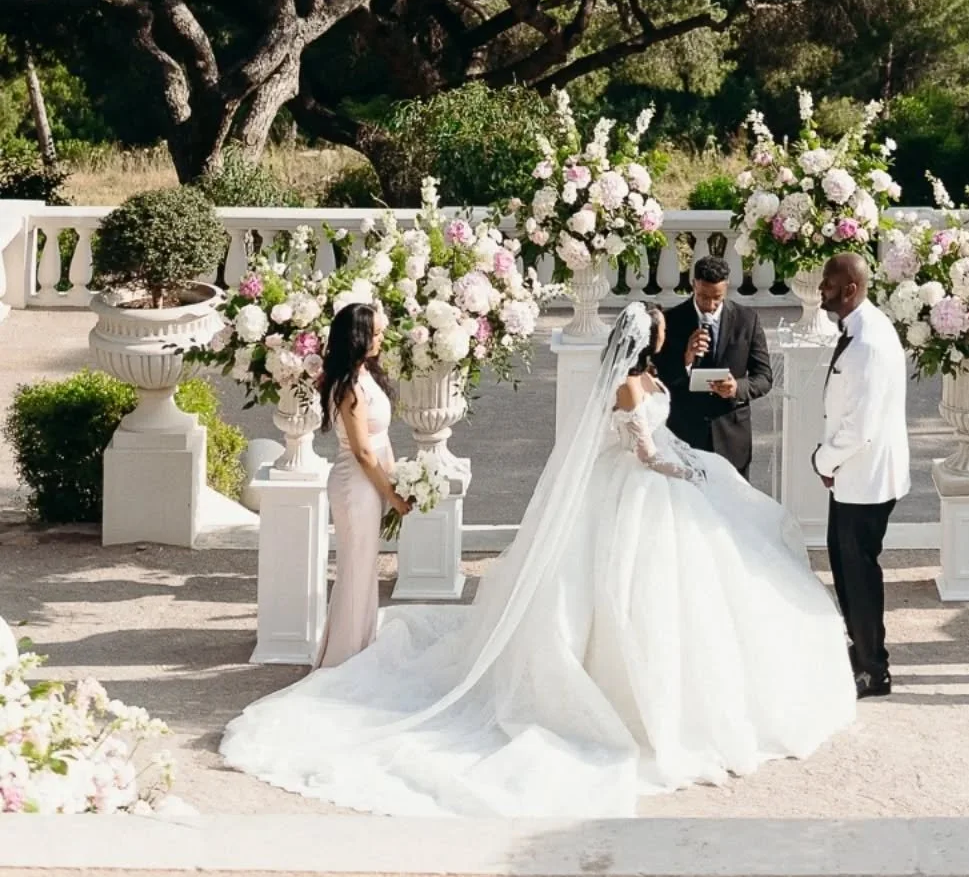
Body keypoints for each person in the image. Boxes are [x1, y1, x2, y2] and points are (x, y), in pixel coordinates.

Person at [221, 303, 854, 816]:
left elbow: (655, 422)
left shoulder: (644, 380)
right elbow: (645, 451)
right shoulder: (630, 389)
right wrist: (687, 468)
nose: (666, 342)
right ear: (643, 346)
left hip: (641, 492)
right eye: (660, 337)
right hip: (638, 487)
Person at [812, 252, 910, 700]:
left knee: (859, 575)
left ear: (850, 288)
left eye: (828, 285)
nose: (821, 291)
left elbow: (861, 427)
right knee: (846, 568)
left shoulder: (869, 341)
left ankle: (874, 668)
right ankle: (861, 653)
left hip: (864, 479)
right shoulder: (860, 327)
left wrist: (823, 461)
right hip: (853, 477)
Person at [314, 301, 410, 669]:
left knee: (366, 567)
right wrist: (392, 495)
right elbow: (363, 452)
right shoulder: (350, 388)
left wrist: (399, 480)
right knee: (356, 568)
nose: (382, 339)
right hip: (356, 486)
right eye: (376, 333)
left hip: (373, 484)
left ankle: (360, 645)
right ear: (358, 338)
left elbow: (381, 439)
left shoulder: (367, 376)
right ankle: (344, 658)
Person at [657, 254, 772, 480]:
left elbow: (764, 377)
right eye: (702, 297)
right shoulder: (671, 320)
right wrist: (686, 360)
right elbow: (659, 377)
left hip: (731, 436)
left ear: (727, 288)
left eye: (717, 298)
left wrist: (736, 388)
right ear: (693, 284)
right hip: (685, 432)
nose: (709, 305)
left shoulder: (747, 320)